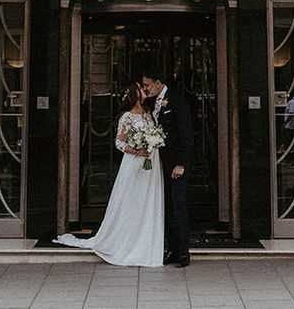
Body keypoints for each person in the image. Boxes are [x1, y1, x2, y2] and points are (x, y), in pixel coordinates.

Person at [53, 82, 164, 267]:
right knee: (131, 202)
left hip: (151, 165)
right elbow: (119, 143)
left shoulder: (149, 114)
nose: (144, 90)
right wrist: (137, 150)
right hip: (135, 163)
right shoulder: (127, 117)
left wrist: (152, 144)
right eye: (141, 88)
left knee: (147, 202)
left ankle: (146, 241)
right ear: (134, 94)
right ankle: (125, 242)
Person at [141, 73, 193, 268]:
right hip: (160, 164)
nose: (146, 88)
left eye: (148, 84)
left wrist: (182, 163)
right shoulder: (152, 103)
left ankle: (183, 251)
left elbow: (186, 134)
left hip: (176, 164)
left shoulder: (177, 102)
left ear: (158, 83)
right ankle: (171, 248)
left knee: (178, 203)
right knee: (167, 206)